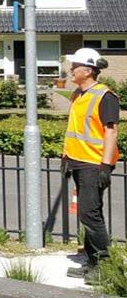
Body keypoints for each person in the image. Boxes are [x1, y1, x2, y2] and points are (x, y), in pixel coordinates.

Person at [62, 48, 120, 284]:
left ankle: (104, 266)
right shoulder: (78, 94)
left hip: (93, 164)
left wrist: (105, 166)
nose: (70, 70)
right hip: (78, 162)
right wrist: (67, 158)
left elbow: (111, 132)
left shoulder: (105, 96)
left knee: (89, 213)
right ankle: (92, 262)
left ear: (87, 70)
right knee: (88, 214)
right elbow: (76, 130)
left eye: (74, 66)